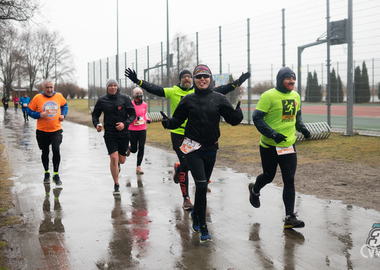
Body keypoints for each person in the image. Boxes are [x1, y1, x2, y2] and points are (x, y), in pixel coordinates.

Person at [125, 67, 250, 210]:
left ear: (193, 79)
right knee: (186, 163)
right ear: (180, 79)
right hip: (178, 132)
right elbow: (155, 89)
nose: (187, 79)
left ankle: (180, 170)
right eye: (184, 77)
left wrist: (237, 82)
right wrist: (138, 81)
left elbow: (222, 90)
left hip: (196, 135)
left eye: (189, 77)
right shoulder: (173, 91)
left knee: (190, 165)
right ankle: (186, 199)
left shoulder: (197, 91)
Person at [160, 64, 243, 243]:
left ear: (210, 79)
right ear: (195, 80)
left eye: (205, 76)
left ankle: (196, 215)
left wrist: (238, 114)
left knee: (202, 187)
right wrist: (168, 122)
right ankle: (203, 226)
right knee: (202, 185)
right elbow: (177, 121)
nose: (202, 79)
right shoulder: (188, 99)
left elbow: (232, 120)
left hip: (211, 148)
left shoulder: (219, 99)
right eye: (199, 77)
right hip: (192, 148)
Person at [248, 66, 311, 229]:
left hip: (289, 146)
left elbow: (297, 116)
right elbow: (257, 118)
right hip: (269, 146)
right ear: (280, 80)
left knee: (289, 179)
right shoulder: (268, 96)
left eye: (293, 78)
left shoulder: (296, 95)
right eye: (288, 78)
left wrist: (303, 128)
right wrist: (272, 134)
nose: (291, 81)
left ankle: (289, 217)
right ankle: (254, 189)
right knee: (269, 176)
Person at [92, 79, 136, 195]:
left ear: (117, 87)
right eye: (110, 86)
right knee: (114, 158)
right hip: (110, 134)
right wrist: (97, 124)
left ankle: (126, 150)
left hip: (124, 134)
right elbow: (95, 115)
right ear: (107, 87)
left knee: (122, 160)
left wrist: (124, 124)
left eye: (114, 85)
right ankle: (116, 184)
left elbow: (133, 114)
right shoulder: (102, 100)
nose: (113, 87)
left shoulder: (125, 98)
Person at [27, 80, 68, 186]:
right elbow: (29, 111)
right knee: (45, 152)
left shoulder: (59, 96)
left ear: (53, 87)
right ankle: (46, 173)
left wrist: (63, 114)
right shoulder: (37, 98)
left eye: (51, 87)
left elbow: (65, 105)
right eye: (47, 87)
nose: (49, 90)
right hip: (42, 131)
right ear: (43, 88)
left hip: (56, 130)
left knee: (56, 149)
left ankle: (56, 174)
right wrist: (39, 115)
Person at [128, 87, 151, 174]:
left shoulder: (144, 104)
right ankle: (129, 148)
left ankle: (138, 167)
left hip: (142, 128)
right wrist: (134, 119)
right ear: (134, 97)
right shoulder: (130, 104)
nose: (139, 97)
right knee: (134, 149)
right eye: (137, 95)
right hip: (132, 129)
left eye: (140, 94)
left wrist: (147, 119)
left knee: (141, 147)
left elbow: (144, 115)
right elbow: (128, 116)